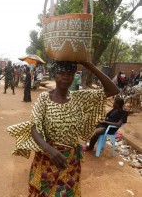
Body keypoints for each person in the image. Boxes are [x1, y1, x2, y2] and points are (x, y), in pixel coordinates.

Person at [7, 61, 119, 196]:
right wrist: (50, 150)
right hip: (47, 159)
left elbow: (113, 90)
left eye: (70, 74)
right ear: (55, 74)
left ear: (74, 77)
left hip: (70, 162)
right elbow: (33, 127)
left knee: (66, 193)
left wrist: (88, 65)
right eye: (61, 73)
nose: (65, 77)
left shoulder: (79, 98)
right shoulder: (45, 98)